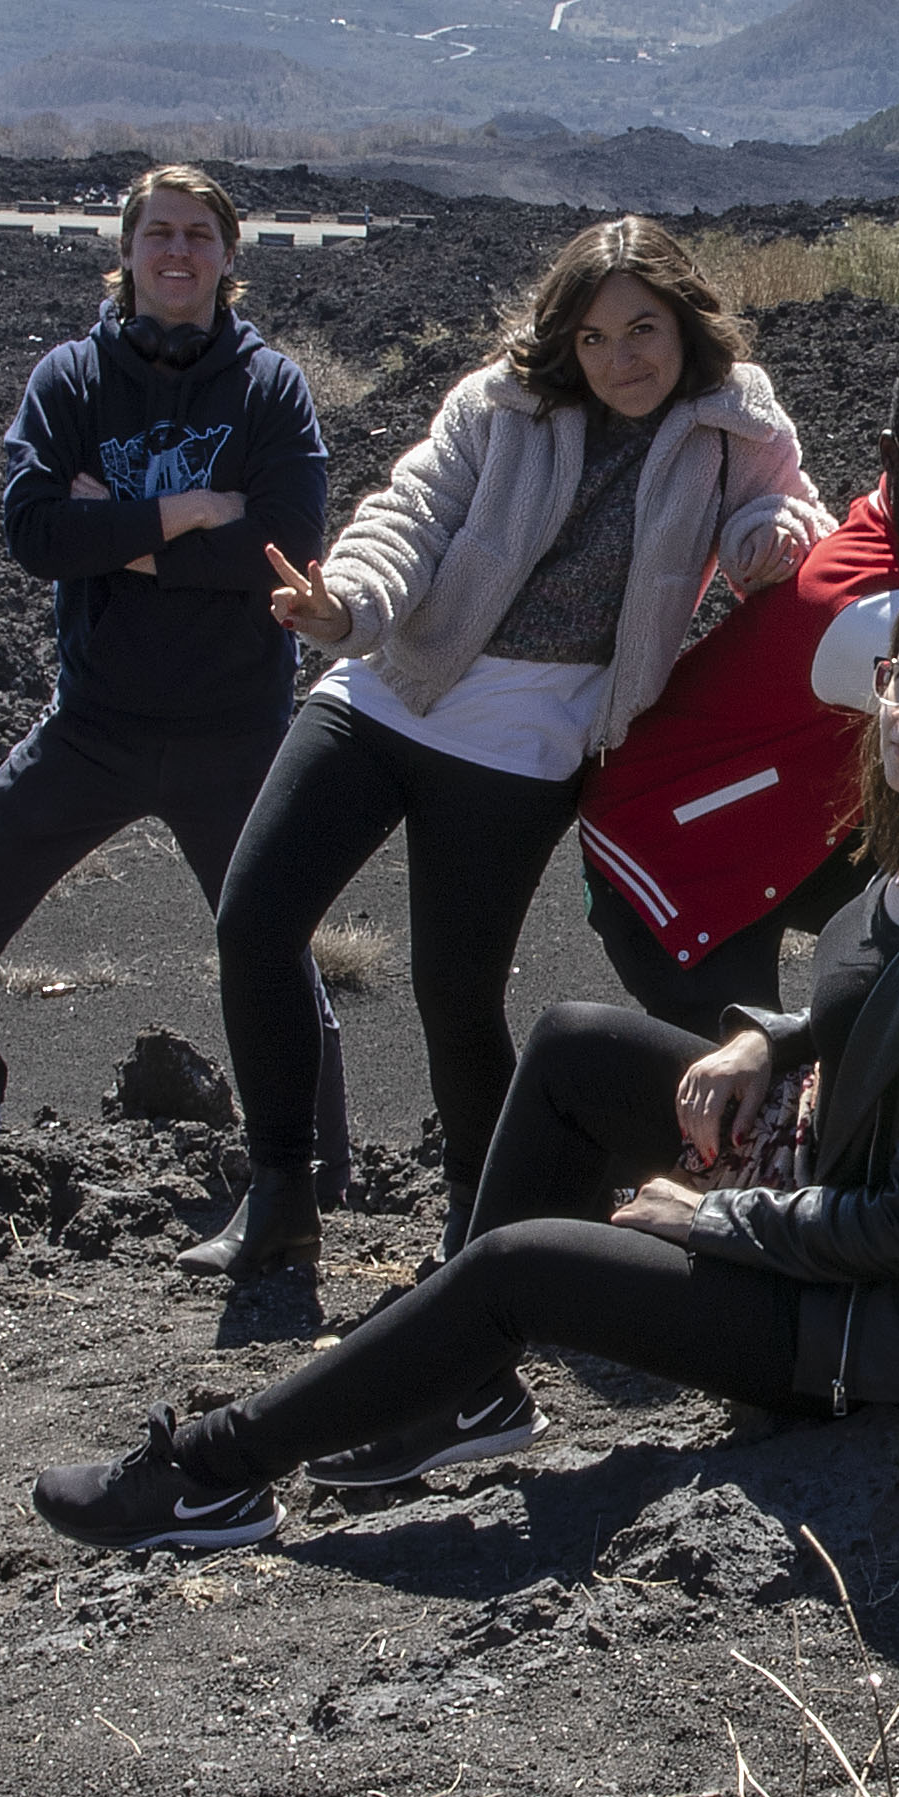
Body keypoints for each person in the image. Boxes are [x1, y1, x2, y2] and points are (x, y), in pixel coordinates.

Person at [24, 580, 899, 1550]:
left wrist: (707, 1221)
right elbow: (872, 1008)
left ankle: (212, 1473)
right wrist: (760, 1038)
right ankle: (463, 1394)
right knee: (576, 1042)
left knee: (522, 1266)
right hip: (837, 1191)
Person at [205, 218, 817, 1264]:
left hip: (527, 744)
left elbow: (785, 509)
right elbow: (412, 511)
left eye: (641, 329)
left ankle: (480, 1215)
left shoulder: (734, 425)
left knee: (455, 987)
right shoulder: (501, 401)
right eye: (591, 336)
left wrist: (769, 540)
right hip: (389, 688)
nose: (619, 357)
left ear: (684, 323)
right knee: (253, 919)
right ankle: (279, 1191)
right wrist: (348, 601)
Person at [0, 163, 335, 1149]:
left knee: (272, 954)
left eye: (199, 234)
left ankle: (316, 1171)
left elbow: (286, 546)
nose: (178, 251)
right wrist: (190, 512)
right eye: (159, 232)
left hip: (234, 736)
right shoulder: (71, 379)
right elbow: (31, 532)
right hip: (92, 726)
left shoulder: (270, 386)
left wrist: (120, 532)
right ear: (127, 251)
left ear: (229, 255)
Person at [576, 351, 899, 1039]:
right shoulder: (858, 608)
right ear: (891, 456)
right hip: (678, 848)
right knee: (739, 1104)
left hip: (800, 828)